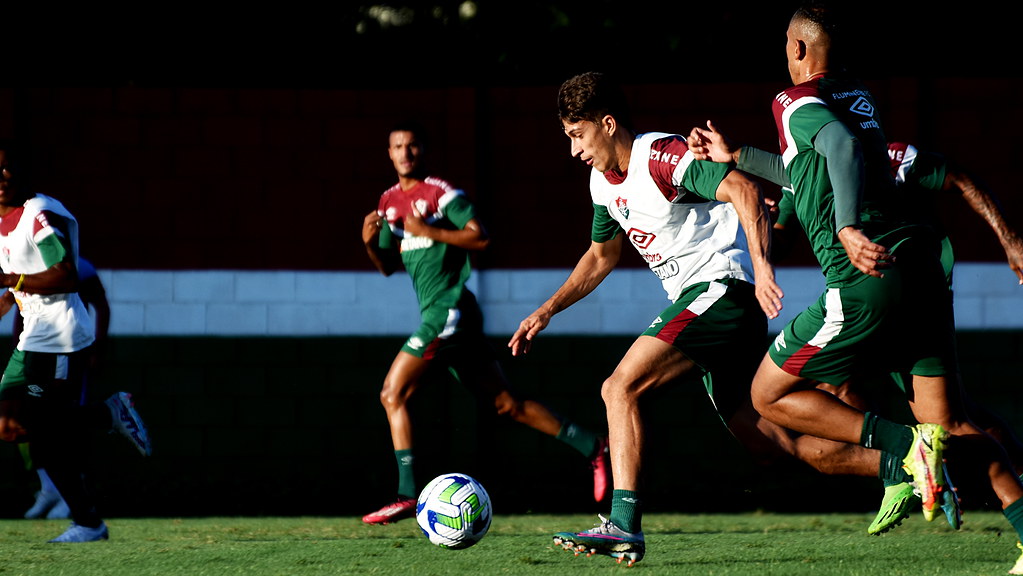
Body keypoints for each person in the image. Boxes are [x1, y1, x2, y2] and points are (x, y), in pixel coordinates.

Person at [686, 3, 1023, 572]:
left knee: (767, 394)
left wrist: (843, 226)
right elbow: (811, 162)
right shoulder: (858, 99)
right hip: (922, 278)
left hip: (867, 278)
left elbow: (835, 148)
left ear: (796, 48)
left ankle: (902, 451)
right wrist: (736, 156)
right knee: (953, 425)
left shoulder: (791, 101)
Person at [507, 70, 792, 566]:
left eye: (578, 135)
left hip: (722, 291)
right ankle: (900, 458)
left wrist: (763, 270)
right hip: (705, 305)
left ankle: (623, 525)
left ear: (609, 123)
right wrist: (546, 310)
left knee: (619, 387)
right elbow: (600, 256)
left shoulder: (662, 155)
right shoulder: (601, 183)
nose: (574, 150)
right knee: (770, 441)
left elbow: (745, 190)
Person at [360, 121, 612, 525]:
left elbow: (480, 237)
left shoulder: (441, 194)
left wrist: (428, 230)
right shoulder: (388, 202)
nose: (405, 153)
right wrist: (371, 243)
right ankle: (594, 446)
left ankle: (407, 494)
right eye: (397, 147)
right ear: (389, 153)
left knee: (392, 393)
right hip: (448, 315)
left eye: (412, 145)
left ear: (422, 150)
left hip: (450, 309)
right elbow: (389, 266)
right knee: (506, 405)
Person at [0, 141, 152, 542]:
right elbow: (21, 277)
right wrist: (7, 298)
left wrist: (11, 283)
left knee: (46, 438)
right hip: (31, 338)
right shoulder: (5, 221)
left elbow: (66, 274)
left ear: (22, 173)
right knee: (10, 423)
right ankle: (104, 418)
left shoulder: (38, 216)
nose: (2, 178)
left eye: (6, 169)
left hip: (57, 338)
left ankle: (87, 521)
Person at [19, 256, 110, 520]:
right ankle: (49, 487)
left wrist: (98, 349)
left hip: (65, 350)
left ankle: (73, 494)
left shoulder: (78, 267)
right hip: (34, 350)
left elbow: (101, 306)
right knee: (25, 419)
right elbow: (21, 309)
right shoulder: (24, 262)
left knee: (63, 423)